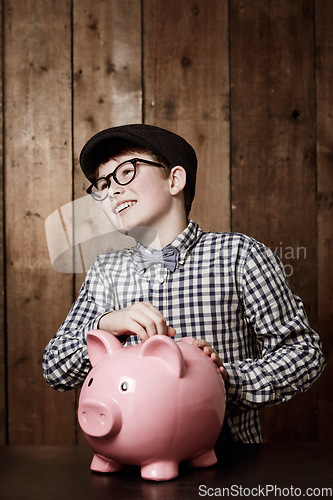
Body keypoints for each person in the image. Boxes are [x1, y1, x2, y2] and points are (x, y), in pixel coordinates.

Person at [43, 124, 325, 443]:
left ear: (174, 180)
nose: (112, 191)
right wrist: (106, 325)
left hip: (227, 459)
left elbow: (304, 353)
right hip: (130, 458)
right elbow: (56, 369)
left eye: (126, 172)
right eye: (102, 184)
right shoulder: (106, 271)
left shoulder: (240, 255)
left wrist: (222, 379)